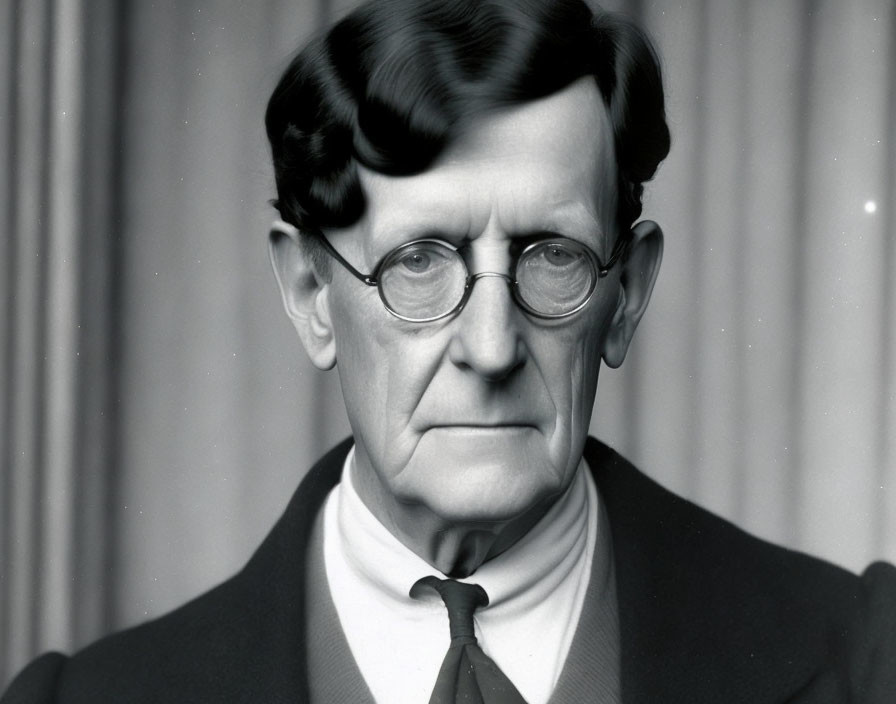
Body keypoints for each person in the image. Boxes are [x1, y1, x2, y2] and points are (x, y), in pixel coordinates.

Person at [3, 0, 895, 702]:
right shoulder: (85, 699)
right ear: (312, 295)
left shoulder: (863, 663)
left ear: (626, 295)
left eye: (554, 258)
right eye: (418, 263)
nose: (492, 345)